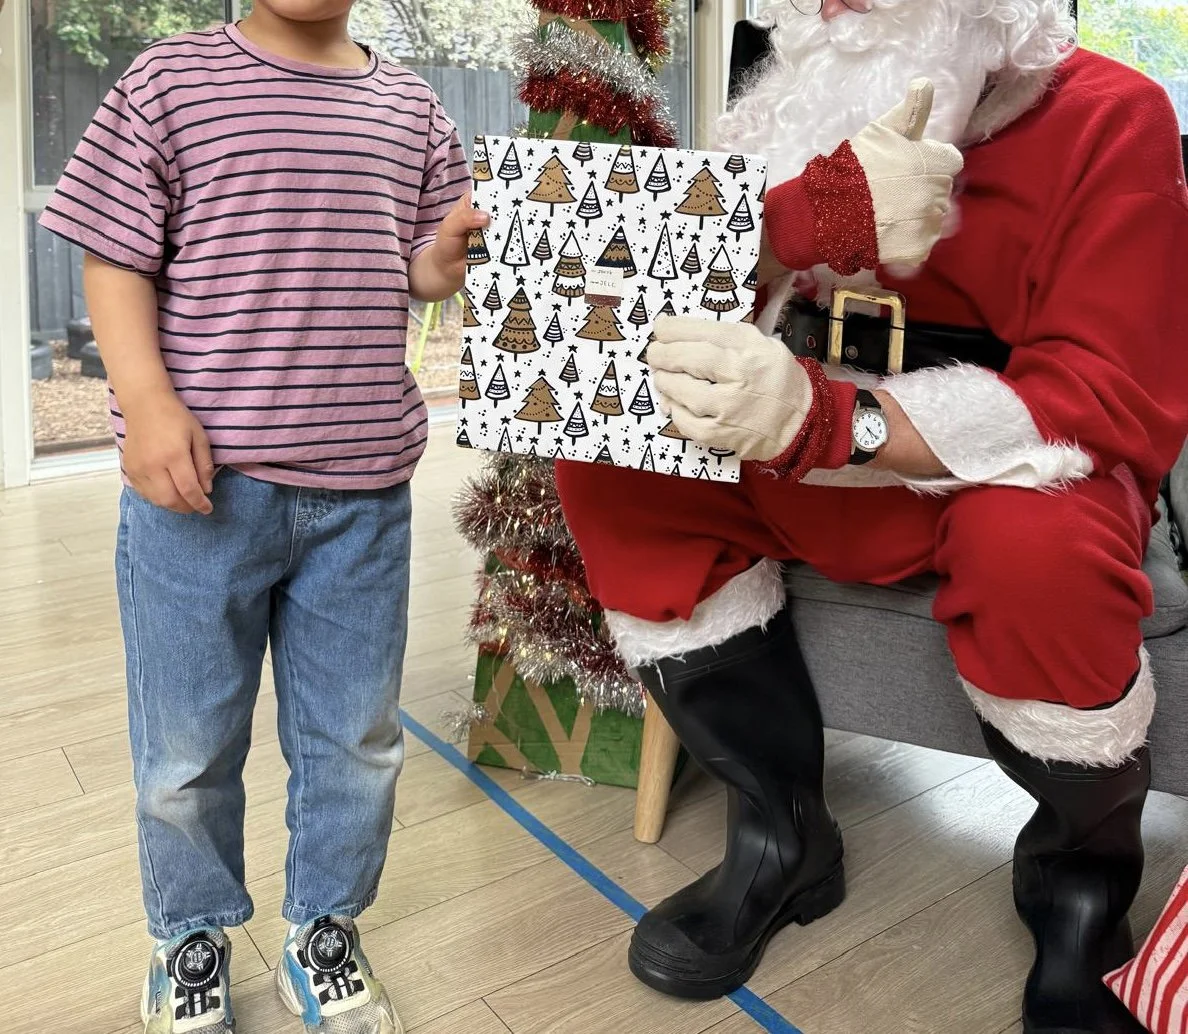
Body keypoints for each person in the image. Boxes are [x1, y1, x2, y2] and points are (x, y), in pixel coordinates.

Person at [554, 0, 1188, 1031]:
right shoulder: (788, 92)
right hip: (793, 448)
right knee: (614, 463)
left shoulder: (1115, 113)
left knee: (1038, 556)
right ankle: (781, 834)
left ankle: (1078, 891)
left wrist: (833, 423)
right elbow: (643, 304)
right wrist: (801, 219)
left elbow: (1102, 396)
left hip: (1008, 465)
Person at [39, 1, 482, 1030]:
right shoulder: (166, 82)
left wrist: (444, 255)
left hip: (363, 492)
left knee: (356, 738)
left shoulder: (414, 109)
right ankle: (188, 936)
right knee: (186, 747)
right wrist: (145, 399)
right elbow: (113, 254)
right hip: (198, 494)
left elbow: (416, 268)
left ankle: (325, 925)